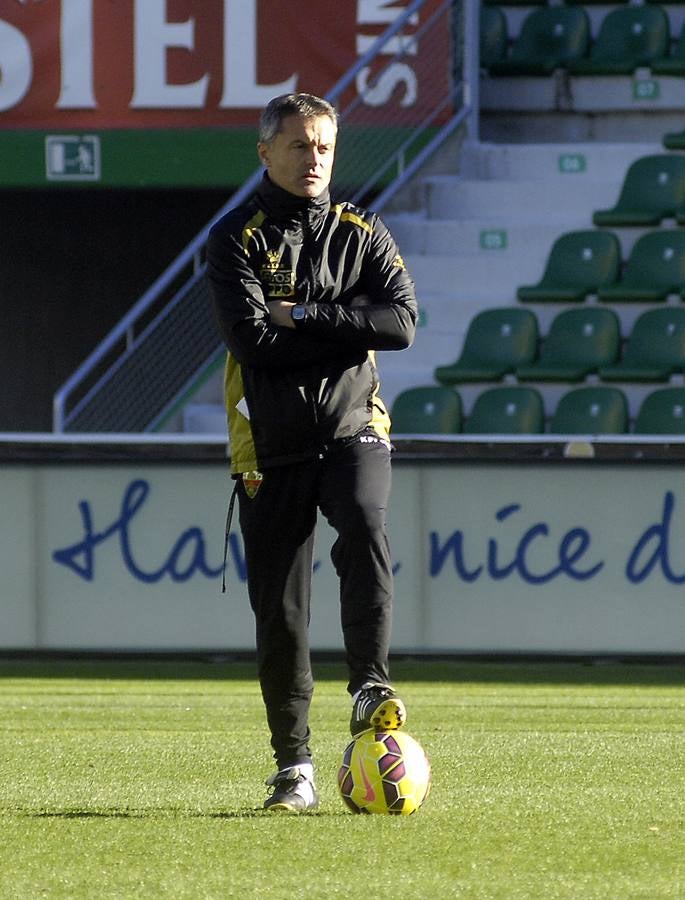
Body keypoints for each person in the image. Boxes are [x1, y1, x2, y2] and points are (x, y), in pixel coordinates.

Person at [206, 92, 418, 812]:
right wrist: (345, 326)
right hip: (268, 445)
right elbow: (250, 343)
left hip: (353, 424)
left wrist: (302, 314)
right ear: (265, 152)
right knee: (283, 614)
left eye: (323, 145)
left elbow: (400, 324)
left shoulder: (363, 231)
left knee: (363, 522)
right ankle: (292, 768)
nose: (314, 158)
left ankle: (369, 684)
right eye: (298, 146)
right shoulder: (235, 236)